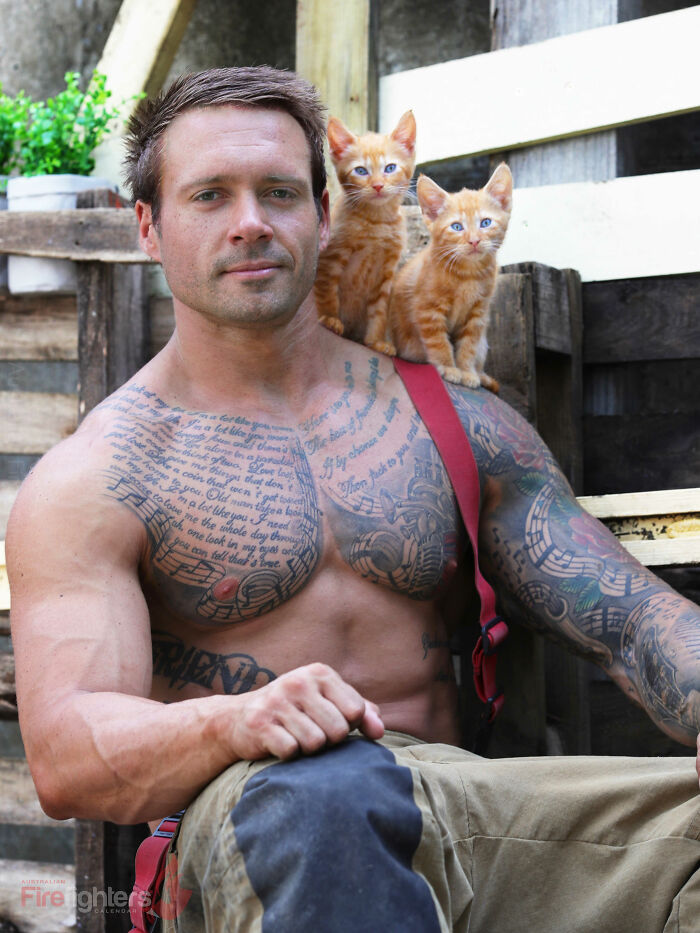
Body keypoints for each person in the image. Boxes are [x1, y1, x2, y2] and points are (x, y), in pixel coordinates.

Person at [7, 66, 700, 932]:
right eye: (210, 195)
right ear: (149, 226)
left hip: (469, 815)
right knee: (319, 798)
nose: (251, 222)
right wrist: (235, 722)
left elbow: (634, 622)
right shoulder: (100, 475)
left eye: (280, 192)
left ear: (324, 214)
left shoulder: (455, 422)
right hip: (258, 820)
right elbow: (68, 755)